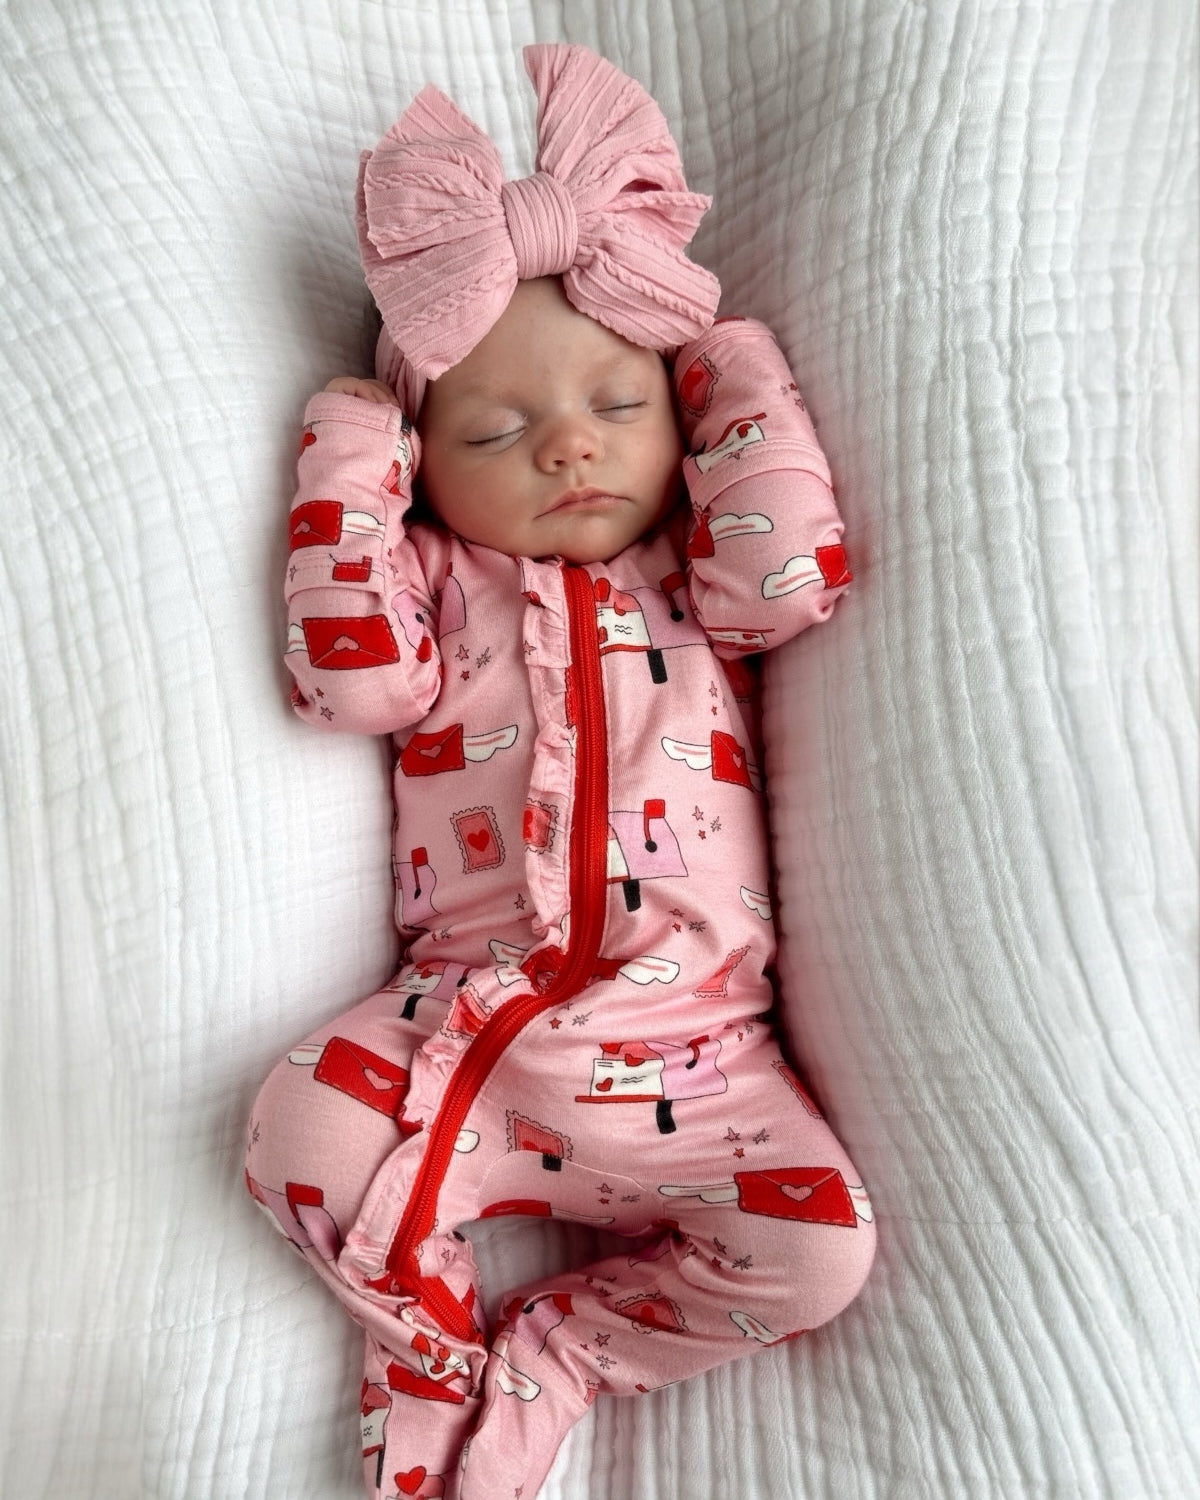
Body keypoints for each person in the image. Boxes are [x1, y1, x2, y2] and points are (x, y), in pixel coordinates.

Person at [246, 43, 874, 1500]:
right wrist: (348, 463)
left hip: (699, 1055)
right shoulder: (438, 581)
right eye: (498, 429)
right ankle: (428, 1342)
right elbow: (343, 678)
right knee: (291, 1131)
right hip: (458, 1033)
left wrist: (733, 370)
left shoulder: (697, 581)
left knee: (818, 1252)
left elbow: (795, 574)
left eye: (620, 405)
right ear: (429, 458)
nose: (570, 449)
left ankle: (569, 1348)